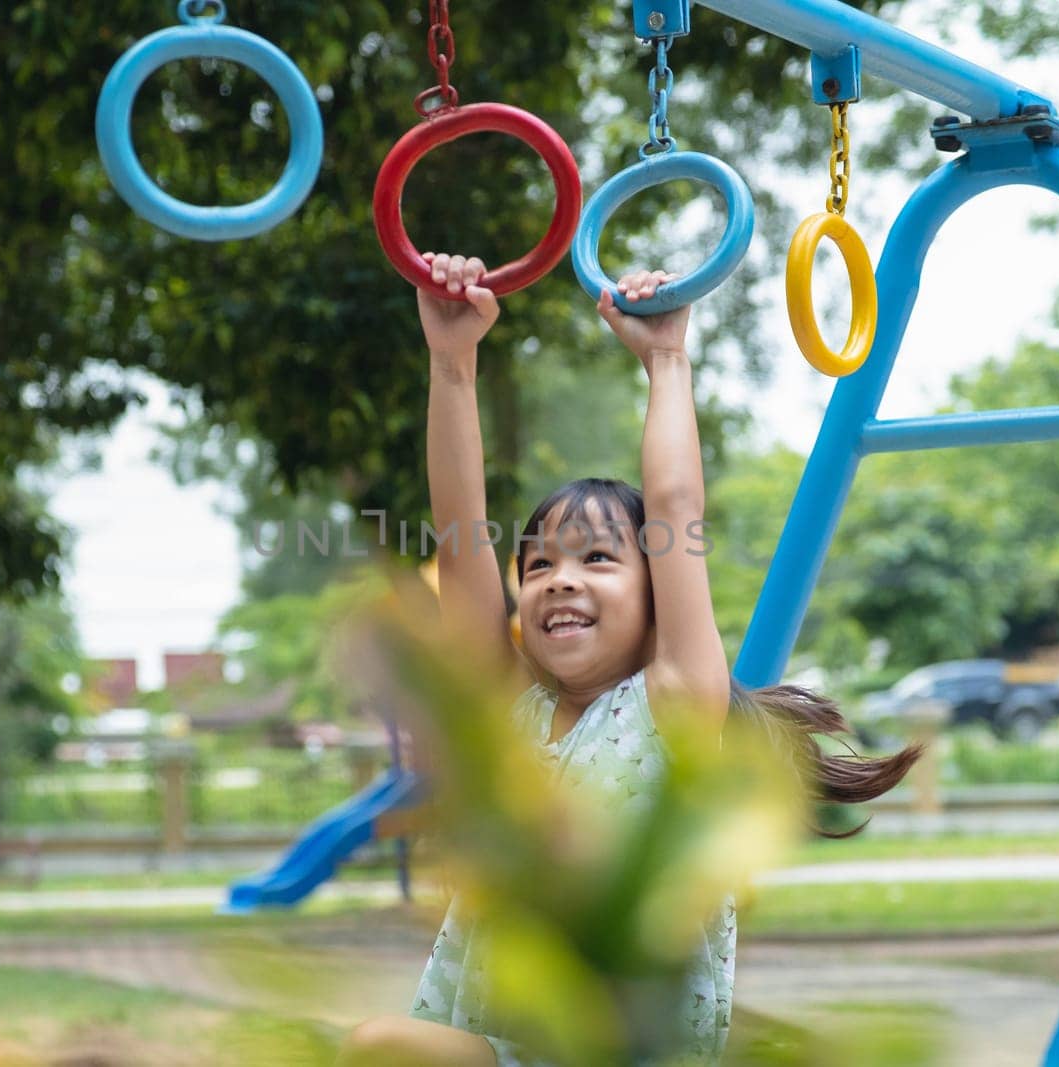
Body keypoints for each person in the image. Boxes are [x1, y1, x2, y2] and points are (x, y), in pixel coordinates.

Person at [337, 254, 919, 1067]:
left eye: (598, 559)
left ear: (658, 596)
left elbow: (676, 503)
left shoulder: (671, 704)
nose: (559, 579)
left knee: (381, 1047)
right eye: (538, 565)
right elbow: (459, 527)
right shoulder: (509, 713)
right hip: (510, 1043)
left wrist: (668, 359)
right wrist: (452, 361)